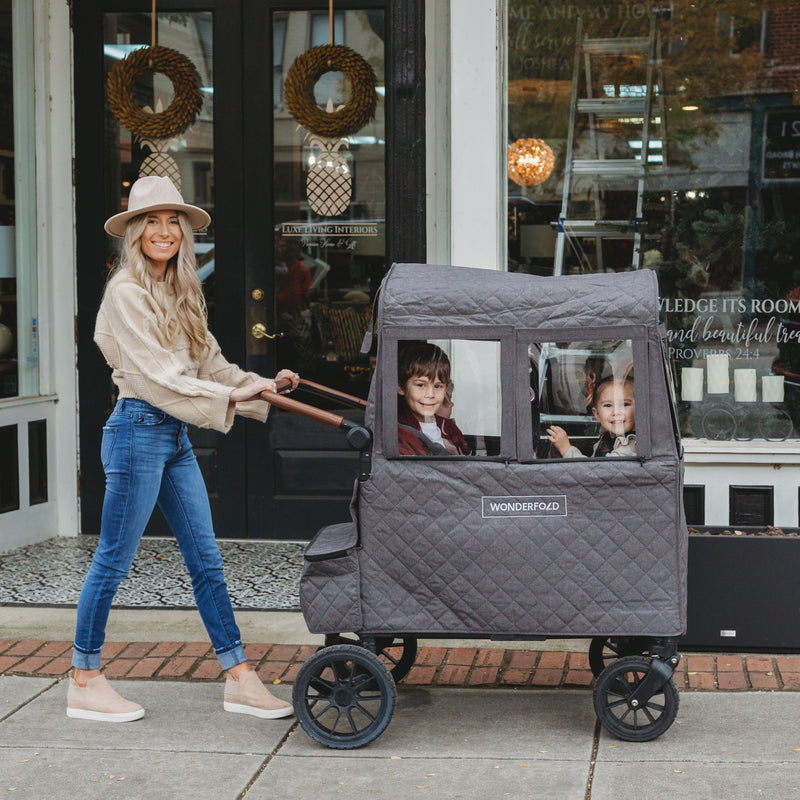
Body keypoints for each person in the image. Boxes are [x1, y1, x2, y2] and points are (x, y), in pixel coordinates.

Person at [68, 176, 300, 723]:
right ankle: (84, 677)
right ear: (133, 232)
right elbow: (160, 376)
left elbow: (210, 365)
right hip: (136, 432)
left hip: (172, 438)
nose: (165, 231)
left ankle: (239, 677)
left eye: (174, 221)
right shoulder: (126, 292)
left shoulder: (181, 289)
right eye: (152, 220)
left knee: (206, 559)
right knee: (113, 560)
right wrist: (232, 396)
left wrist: (259, 383)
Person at [397, 342, 470, 455]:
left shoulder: (449, 428)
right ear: (401, 387)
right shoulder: (398, 433)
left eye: (437, 386)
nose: (430, 394)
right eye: (421, 385)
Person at [546, 375, 636, 458]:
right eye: (608, 405)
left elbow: (600, 471)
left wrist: (566, 449)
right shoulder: (606, 437)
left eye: (625, 404)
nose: (616, 412)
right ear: (597, 414)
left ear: (639, 410)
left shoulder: (631, 445)